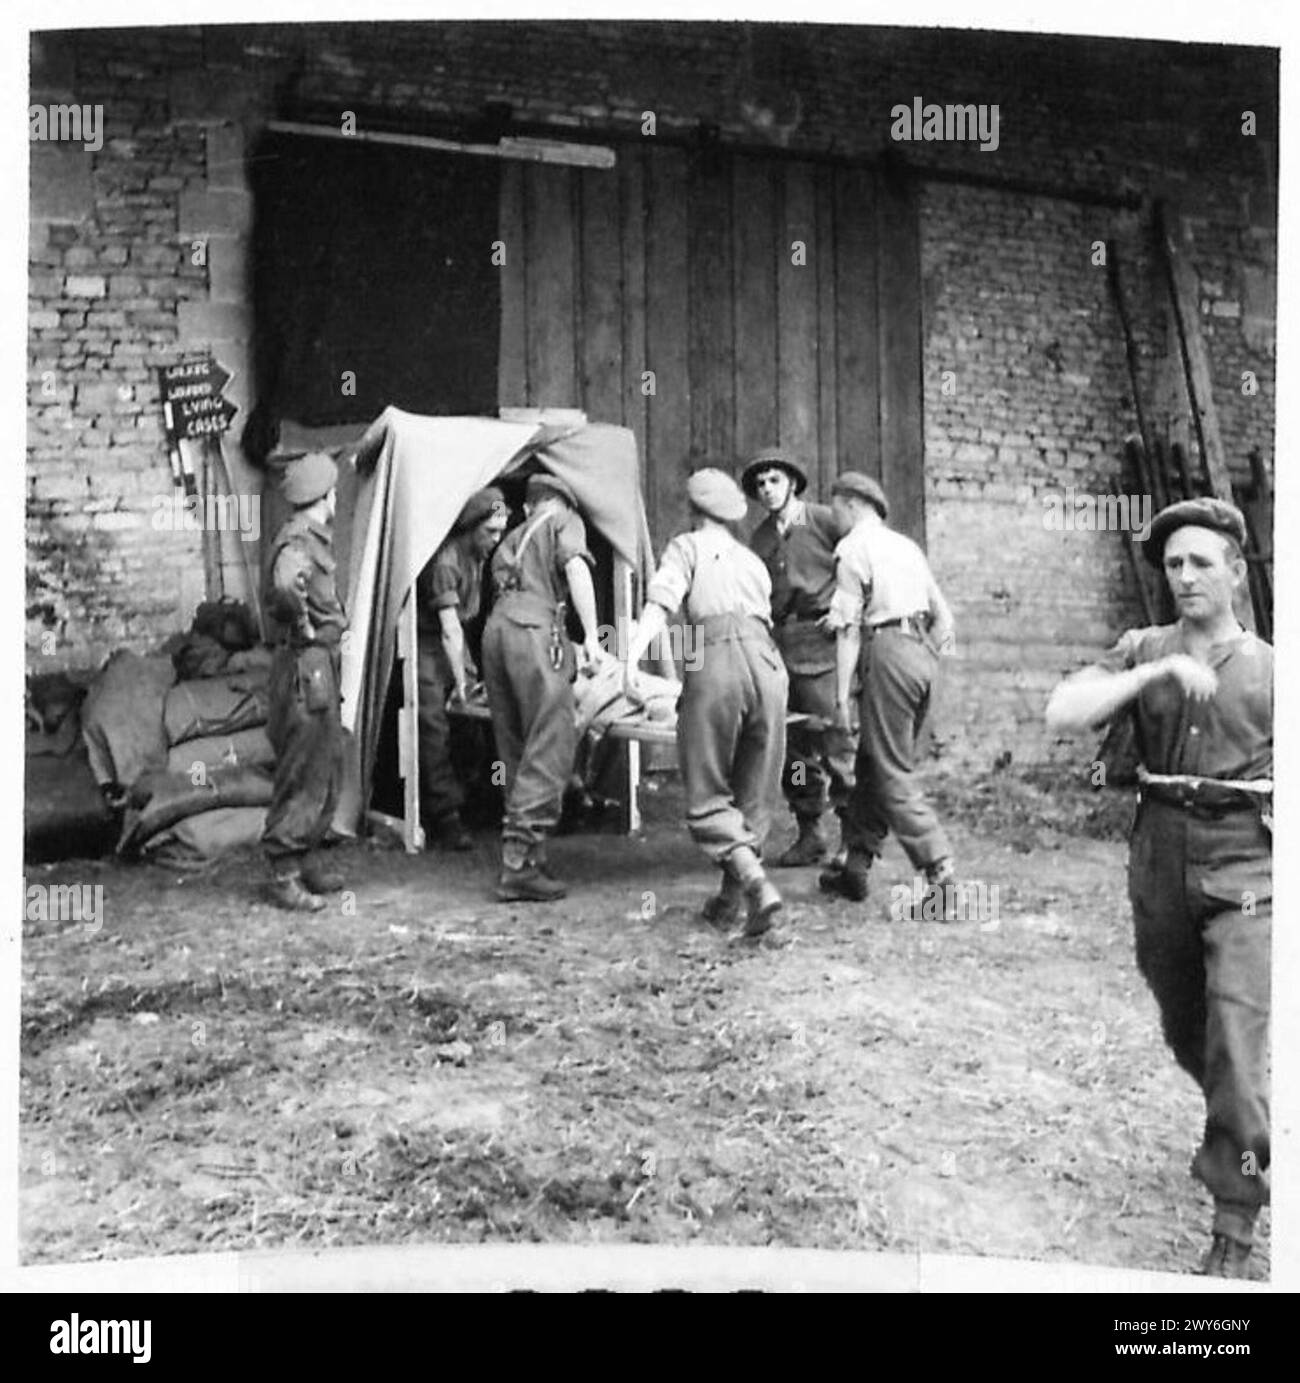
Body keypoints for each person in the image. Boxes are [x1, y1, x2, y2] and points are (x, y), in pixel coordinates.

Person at [1045, 497, 1271, 1278]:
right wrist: (1152, 670)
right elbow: (1061, 709)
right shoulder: (1145, 645)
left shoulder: (1274, 666)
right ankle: (1231, 1119)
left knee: (1238, 1040)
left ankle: (1234, 1228)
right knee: (1188, 1027)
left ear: (1237, 571)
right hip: (1159, 853)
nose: (1184, 576)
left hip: (1249, 858)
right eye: (1173, 564)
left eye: (1201, 561)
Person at [624, 468, 787, 937]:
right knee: (754, 790)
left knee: (707, 791)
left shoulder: (686, 546)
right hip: (769, 664)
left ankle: (756, 885)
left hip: (717, 660)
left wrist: (631, 660)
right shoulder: (753, 561)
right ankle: (731, 903)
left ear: (694, 512)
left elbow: (661, 605)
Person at [820, 471, 957, 909]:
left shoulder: (852, 548)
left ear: (853, 505)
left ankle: (941, 876)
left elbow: (846, 631)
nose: (834, 517)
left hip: (888, 652)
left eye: (836, 507)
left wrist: (841, 698)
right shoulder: (907, 547)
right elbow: (945, 618)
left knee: (890, 769)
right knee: (872, 763)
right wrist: (921, 656)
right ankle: (855, 867)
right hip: (922, 654)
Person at [481, 473, 602, 902]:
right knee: (551, 737)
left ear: (529, 505)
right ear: (561, 503)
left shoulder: (512, 535)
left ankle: (528, 856)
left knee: (515, 745)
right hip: (535, 631)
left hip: (497, 633)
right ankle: (517, 864)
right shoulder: (563, 521)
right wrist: (592, 637)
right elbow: (574, 567)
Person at [743, 447, 856, 867]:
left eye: (774, 480)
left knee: (836, 740)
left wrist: (844, 608)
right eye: (760, 484)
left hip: (823, 644)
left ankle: (851, 840)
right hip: (782, 645)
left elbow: (860, 562)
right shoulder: (761, 539)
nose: (767, 489)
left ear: (792, 482)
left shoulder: (826, 521)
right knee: (792, 748)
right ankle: (810, 832)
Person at [261, 451, 348, 912]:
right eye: (334, 491)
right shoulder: (299, 541)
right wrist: (306, 629)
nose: (337, 498)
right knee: (304, 768)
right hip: (305, 666)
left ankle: (307, 856)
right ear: (324, 495)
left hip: (319, 664)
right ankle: (283, 873)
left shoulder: (312, 537)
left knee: (326, 763)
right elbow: (284, 586)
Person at [414, 486, 508, 849]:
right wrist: (462, 682)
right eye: (490, 532)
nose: (496, 540)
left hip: (457, 641)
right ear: (471, 528)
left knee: (474, 723)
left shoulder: (480, 554)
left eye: (501, 531)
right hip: (429, 643)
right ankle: (444, 815)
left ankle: (480, 794)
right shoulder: (446, 561)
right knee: (433, 723)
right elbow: (450, 628)